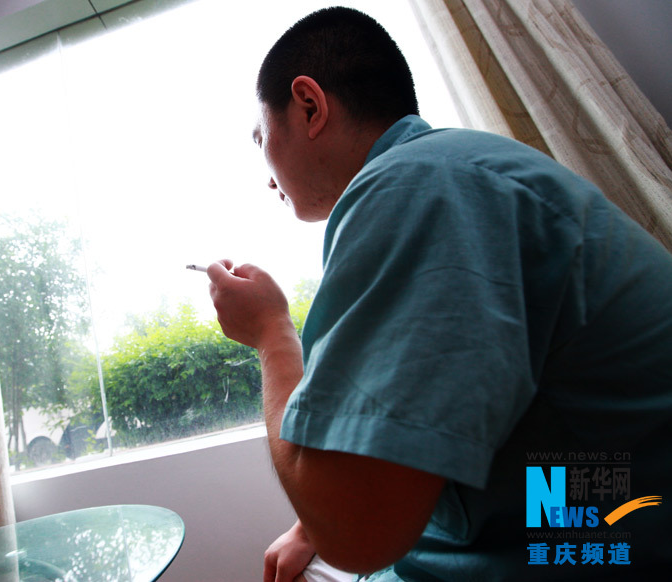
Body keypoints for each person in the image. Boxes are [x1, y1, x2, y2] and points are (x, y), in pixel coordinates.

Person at [205, 6, 672, 581]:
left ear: (309, 105)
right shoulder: (454, 171)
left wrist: (272, 336)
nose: (267, 173)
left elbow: (356, 531)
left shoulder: (412, 188)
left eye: (261, 136)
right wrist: (311, 527)